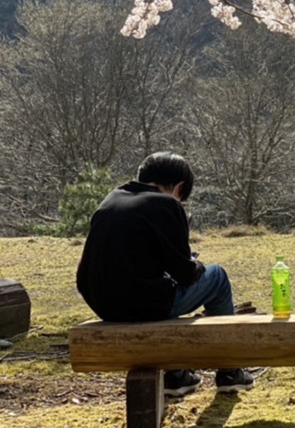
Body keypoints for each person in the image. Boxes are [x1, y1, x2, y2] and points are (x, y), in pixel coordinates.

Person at [76, 151, 255, 396]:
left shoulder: (112, 199)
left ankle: (177, 375)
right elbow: (184, 274)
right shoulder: (166, 204)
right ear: (179, 188)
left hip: (102, 303)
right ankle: (230, 370)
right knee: (218, 277)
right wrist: (196, 265)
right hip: (142, 304)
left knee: (160, 285)